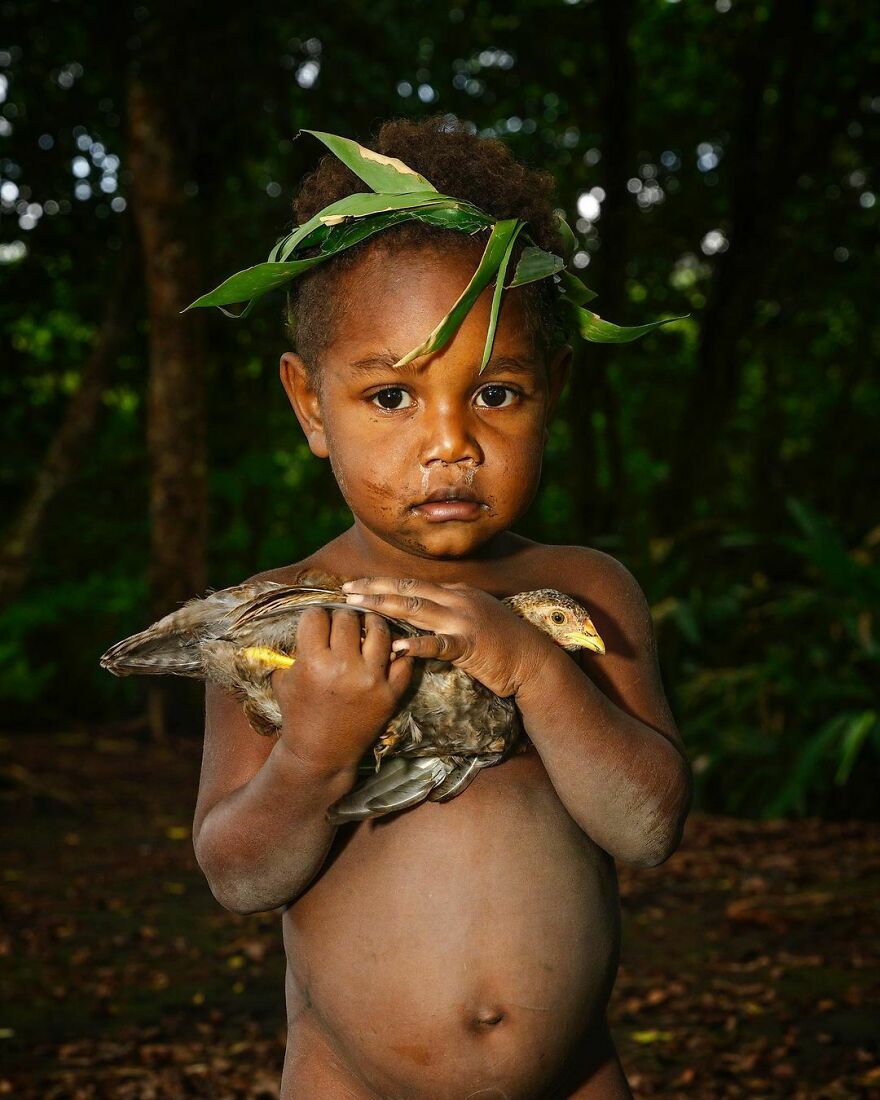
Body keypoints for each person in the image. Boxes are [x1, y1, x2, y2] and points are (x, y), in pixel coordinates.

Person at [191, 115, 691, 1099]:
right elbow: (239, 877)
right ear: (309, 405)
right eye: (391, 398)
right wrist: (317, 749)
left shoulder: (586, 592)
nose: (450, 442)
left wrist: (537, 668)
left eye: (496, 393)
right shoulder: (275, 617)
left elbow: (647, 827)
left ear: (554, 388)